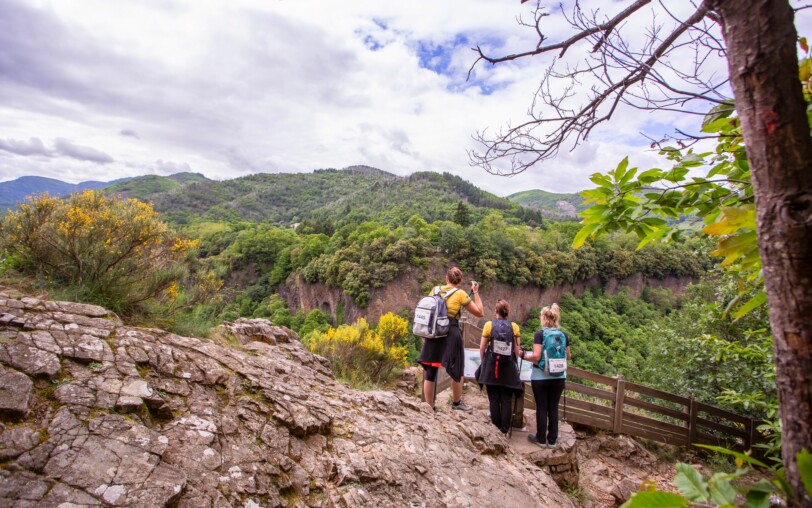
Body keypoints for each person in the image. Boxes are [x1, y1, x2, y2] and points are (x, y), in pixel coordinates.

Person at [418, 266, 483, 411]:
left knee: (430, 370)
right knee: (457, 367)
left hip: (434, 331)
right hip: (451, 332)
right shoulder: (460, 294)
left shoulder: (435, 290)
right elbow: (479, 312)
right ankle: (457, 403)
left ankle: (429, 407)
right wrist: (475, 293)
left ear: (446, 278)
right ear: (460, 282)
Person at [519, 303, 571, 449]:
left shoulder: (540, 334)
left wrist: (523, 355)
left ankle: (541, 439)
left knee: (542, 407)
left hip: (540, 377)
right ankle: (552, 440)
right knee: (553, 407)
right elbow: (568, 356)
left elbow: (536, 356)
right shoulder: (564, 335)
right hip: (559, 377)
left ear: (543, 318)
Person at [477, 299, 524, 435]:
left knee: (493, 399)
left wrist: (484, 362)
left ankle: (495, 429)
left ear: (496, 311)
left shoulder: (489, 325)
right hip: (508, 369)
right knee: (506, 400)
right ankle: (504, 430)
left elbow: (482, 348)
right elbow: (517, 350)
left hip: (492, 367)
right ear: (507, 312)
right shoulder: (514, 327)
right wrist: (514, 363)